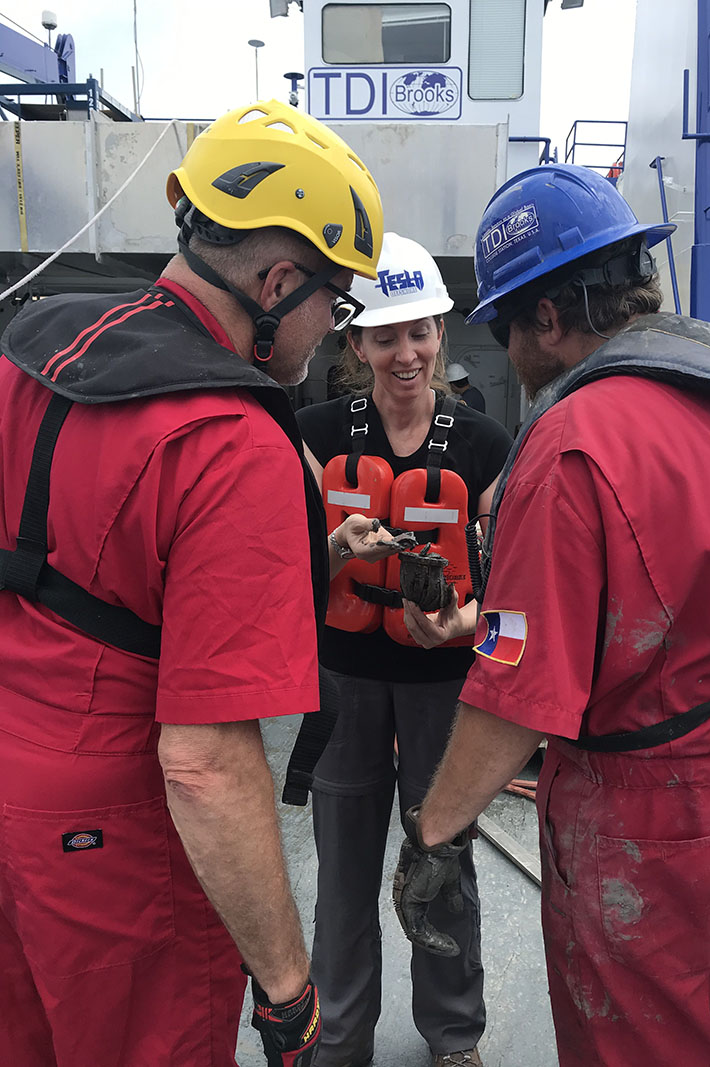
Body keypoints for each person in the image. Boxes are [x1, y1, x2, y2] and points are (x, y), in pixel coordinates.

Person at [0, 99, 382, 1067]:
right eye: (331, 306)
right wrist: (288, 984)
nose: (327, 335)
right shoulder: (233, 439)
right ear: (278, 279)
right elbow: (204, 764)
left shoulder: (30, 347)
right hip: (117, 849)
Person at [392, 164, 710, 1067]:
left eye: (503, 323)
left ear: (548, 315)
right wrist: (481, 625)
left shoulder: (569, 445)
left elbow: (512, 702)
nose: (503, 345)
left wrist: (433, 831)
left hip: (653, 831)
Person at [297, 231, 512, 1067]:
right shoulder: (314, 435)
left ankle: (454, 1037)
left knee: (443, 865)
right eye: (385, 335)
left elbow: (520, 600)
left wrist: (468, 625)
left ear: (441, 333)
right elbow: (272, 575)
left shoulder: (485, 448)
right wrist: (335, 553)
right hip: (344, 686)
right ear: (355, 343)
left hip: (444, 698)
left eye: (420, 330)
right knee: (344, 876)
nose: (406, 352)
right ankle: (340, 1039)